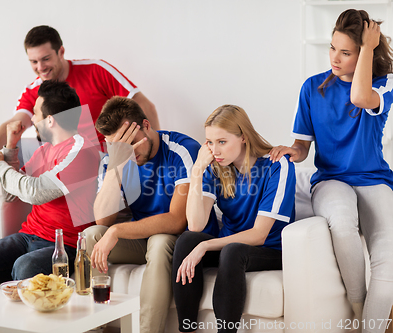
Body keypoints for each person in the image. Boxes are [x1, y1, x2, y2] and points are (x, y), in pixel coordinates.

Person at [270, 9, 393, 333]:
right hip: (331, 180)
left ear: (366, 51)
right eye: (332, 48)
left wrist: (368, 47)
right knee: (340, 221)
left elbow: (359, 96)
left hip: (374, 179)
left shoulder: (384, 85)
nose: (334, 58)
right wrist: (290, 151)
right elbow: (303, 147)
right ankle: (358, 306)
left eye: (346, 52)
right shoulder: (312, 88)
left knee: (388, 262)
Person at [0, 80, 100, 300]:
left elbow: (35, 192)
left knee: (25, 267)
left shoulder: (82, 151)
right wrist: (11, 146)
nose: (32, 120)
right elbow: (13, 194)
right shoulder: (45, 150)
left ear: (50, 120)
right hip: (29, 235)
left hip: (65, 245)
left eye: (36, 114)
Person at [85, 96, 214, 333]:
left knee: (160, 241)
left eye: (131, 142)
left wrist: (116, 230)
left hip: (182, 241)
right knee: (91, 236)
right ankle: (90, 328)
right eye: (117, 146)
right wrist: (117, 166)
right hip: (141, 238)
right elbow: (102, 221)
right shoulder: (115, 159)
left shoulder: (183, 149)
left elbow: (176, 221)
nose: (128, 151)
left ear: (146, 125)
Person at [173, 105, 296, 333]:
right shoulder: (216, 168)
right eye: (209, 142)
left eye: (222, 141)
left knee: (232, 250)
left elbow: (259, 234)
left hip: (269, 249)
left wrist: (206, 245)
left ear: (243, 138)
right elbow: (195, 224)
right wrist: (197, 170)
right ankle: (186, 329)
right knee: (187, 240)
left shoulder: (277, 166)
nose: (214, 150)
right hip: (232, 246)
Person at [0, 25, 159, 154]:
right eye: (33, 62)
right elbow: (14, 125)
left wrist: (156, 155)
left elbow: (145, 107)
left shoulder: (95, 70)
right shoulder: (33, 91)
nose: (40, 67)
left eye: (46, 59)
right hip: (64, 169)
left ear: (61, 52)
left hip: (106, 162)